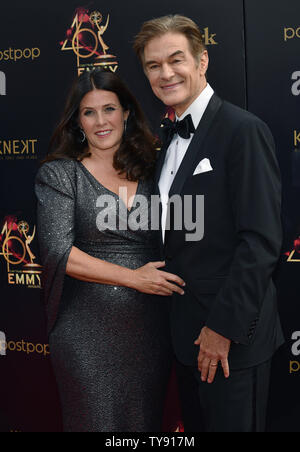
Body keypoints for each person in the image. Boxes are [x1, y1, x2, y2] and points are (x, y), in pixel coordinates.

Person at [134, 14, 285, 432]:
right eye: (153, 65)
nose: (166, 73)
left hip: (230, 340)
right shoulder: (166, 139)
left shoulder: (242, 130)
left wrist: (222, 329)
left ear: (202, 61)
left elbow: (260, 241)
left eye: (176, 59)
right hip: (184, 338)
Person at [35, 68, 186, 432]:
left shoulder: (155, 168)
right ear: (78, 121)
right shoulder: (60, 174)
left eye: (109, 109)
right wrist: (134, 278)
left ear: (127, 113)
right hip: (86, 333)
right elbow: (58, 251)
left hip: (150, 331)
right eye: (89, 112)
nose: (101, 121)